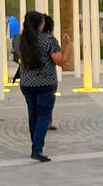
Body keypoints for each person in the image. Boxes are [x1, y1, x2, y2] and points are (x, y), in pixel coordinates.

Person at [16, 11, 72, 162]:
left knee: (33, 114)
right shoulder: (48, 40)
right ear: (40, 24)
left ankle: (35, 146)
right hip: (45, 83)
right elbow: (61, 61)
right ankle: (37, 149)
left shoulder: (21, 40)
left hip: (27, 83)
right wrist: (68, 44)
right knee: (43, 115)